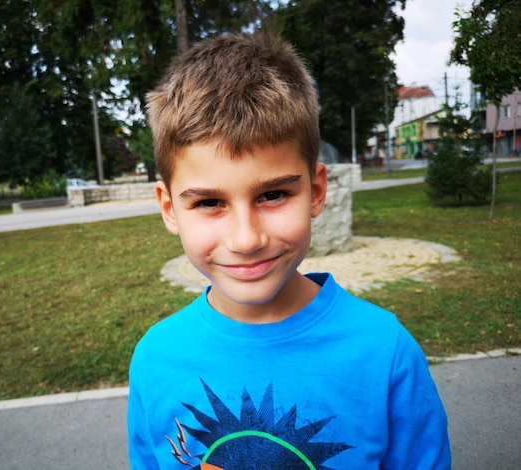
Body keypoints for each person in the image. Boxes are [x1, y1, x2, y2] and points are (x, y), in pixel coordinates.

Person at [127, 33, 450, 469]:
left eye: (274, 194)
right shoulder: (155, 358)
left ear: (316, 191)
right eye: (208, 202)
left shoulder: (384, 353)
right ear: (169, 208)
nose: (246, 239)